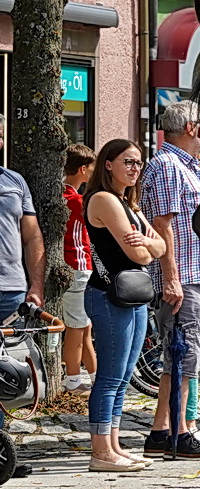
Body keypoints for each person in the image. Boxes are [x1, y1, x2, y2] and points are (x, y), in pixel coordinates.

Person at [139, 101, 200, 460]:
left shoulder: (187, 166)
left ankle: (163, 429)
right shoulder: (169, 166)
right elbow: (163, 225)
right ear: (190, 127)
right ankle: (179, 431)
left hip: (196, 272)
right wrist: (170, 277)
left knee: (186, 355)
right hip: (184, 275)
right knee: (182, 354)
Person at [83, 139, 167, 471]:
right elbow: (138, 255)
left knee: (123, 376)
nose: (134, 168)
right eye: (127, 162)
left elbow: (156, 245)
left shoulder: (128, 203)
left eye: (138, 163)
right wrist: (148, 246)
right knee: (110, 375)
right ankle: (100, 451)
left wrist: (147, 243)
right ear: (108, 164)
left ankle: (114, 445)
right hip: (108, 293)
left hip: (130, 293)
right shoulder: (104, 199)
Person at [60, 144, 98, 390]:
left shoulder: (63, 195)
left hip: (76, 265)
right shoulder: (75, 200)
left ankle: (95, 376)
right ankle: (72, 379)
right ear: (83, 170)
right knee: (76, 326)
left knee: (84, 326)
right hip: (78, 264)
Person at [0, 130, 47, 325]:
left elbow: (32, 237)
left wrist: (36, 286)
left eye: (0, 135)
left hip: (12, 292)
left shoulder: (15, 181)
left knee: (14, 355)